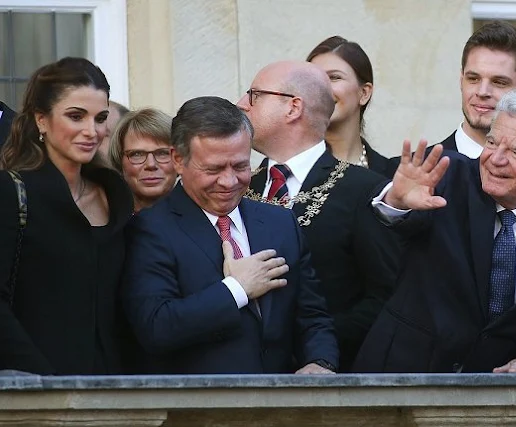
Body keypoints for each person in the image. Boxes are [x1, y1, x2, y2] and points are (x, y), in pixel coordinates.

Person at [353, 88, 516, 373]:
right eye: (492, 142)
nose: (496, 159)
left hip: (503, 398)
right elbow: (389, 226)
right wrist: (396, 201)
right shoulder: (448, 178)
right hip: (404, 375)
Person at [122, 96, 338, 374]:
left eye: (239, 166)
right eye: (213, 169)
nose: (228, 181)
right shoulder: (149, 229)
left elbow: (312, 315)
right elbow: (156, 326)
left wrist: (320, 362)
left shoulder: (279, 222)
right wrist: (237, 289)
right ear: (178, 159)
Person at [238, 61, 402, 371]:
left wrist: (315, 344)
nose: (240, 105)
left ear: (293, 107)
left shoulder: (363, 189)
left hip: (329, 378)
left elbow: (385, 297)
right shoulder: (239, 185)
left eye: (254, 95)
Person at [0, 57, 134, 375]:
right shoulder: (10, 192)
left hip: (117, 393)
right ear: (41, 120)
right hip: (35, 393)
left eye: (100, 118)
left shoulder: (114, 194)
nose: (92, 131)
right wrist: (42, 380)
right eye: (76, 116)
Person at [386, 20, 516, 193]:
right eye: (473, 78)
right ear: (461, 79)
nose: (482, 91)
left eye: (499, 82)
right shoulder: (403, 175)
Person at [306, 36, 392, 177]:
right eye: (312, 79)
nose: (320, 88)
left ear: (364, 93)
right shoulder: (284, 170)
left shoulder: (389, 176)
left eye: (334, 77)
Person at [108, 108, 177, 212]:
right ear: (119, 160)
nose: (151, 164)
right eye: (137, 154)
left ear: (179, 159)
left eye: (162, 153)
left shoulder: (204, 218)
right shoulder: (103, 219)